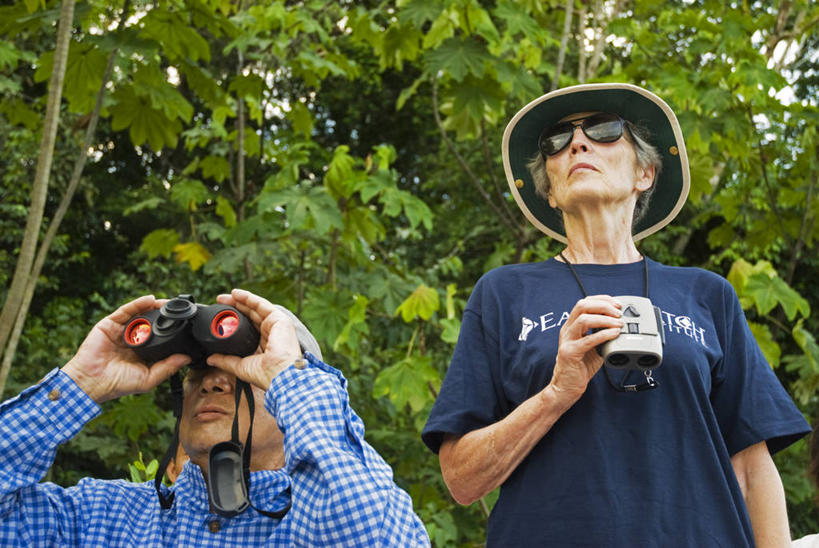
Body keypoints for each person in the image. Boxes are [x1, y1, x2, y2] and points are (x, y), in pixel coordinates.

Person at [421, 83, 811, 547]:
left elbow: (751, 468)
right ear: (550, 193)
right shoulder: (503, 293)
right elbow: (463, 481)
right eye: (556, 141)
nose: (578, 143)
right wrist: (556, 394)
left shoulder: (707, 294)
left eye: (604, 131)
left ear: (645, 172)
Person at [0, 288, 430, 546]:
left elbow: (369, 536)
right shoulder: (105, 519)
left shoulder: (318, 518)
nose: (211, 383)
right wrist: (81, 382)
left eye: (243, 369)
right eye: (198, 370)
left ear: (294, 394)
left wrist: (288, 371)